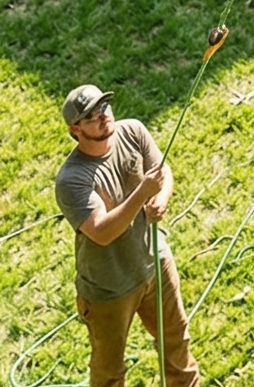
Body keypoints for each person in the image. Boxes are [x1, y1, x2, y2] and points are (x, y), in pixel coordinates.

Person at [54, 84, 200, 387]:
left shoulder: (133, 131)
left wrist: (161, 198)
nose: (103, 117)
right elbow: (101, 232)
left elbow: (163, 172)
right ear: (75, 130)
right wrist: (142, 194)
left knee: (175, 339)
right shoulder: (72, 179)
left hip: (155, 262)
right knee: (109, 371)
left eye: (104, 107)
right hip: (110, 286)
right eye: (91, 116)